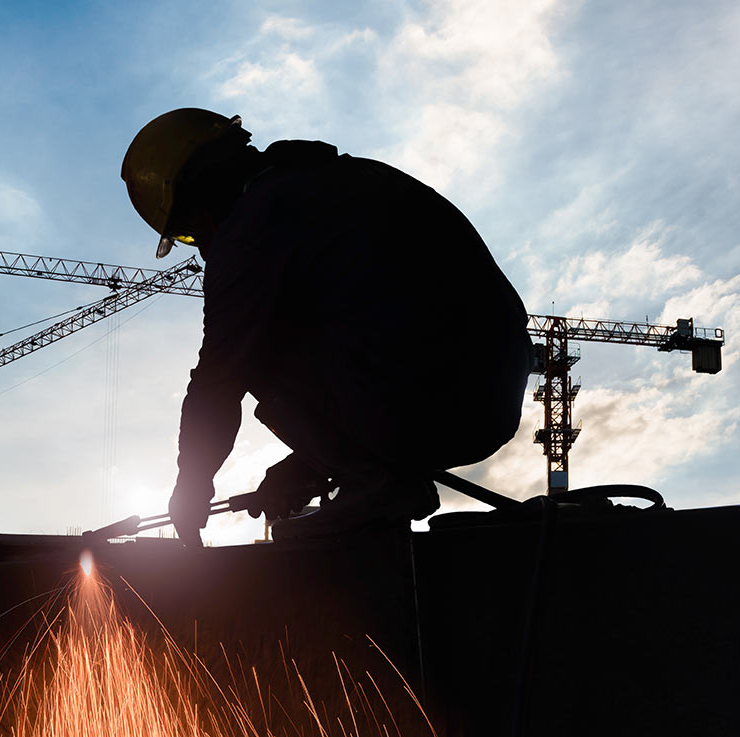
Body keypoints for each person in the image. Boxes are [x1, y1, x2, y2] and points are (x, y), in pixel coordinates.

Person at [121, 108, 532, 545]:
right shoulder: (337, 180)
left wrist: (192, 484)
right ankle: (373, 479)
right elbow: (388, 316)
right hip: (489, 394)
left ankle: (378, 486)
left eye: (188, 232)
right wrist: (312, 464)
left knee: (246, 348)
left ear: (197, 194)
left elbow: (218, 381)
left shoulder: (251, 225)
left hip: (424, 395)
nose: (201, 246)